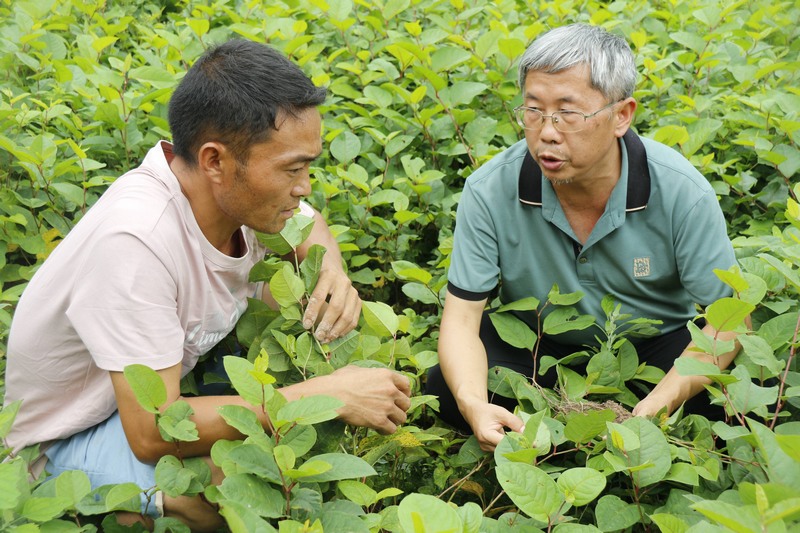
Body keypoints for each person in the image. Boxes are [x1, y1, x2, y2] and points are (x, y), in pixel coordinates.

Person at [3, 40, 411, 529]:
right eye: (292, 169)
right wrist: (330, 396)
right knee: (242, 486)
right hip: (68, 437)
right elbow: (155, 429)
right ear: (215, 161)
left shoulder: (238, 196)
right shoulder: (137, 242)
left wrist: (332, 272)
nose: (303, 186)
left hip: (148, 393)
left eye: (308, 166)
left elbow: (311, 221)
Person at [426, 23, 743, 451]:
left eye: (568, 113)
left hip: (655, 349)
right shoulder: (489, 189)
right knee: (447, 388)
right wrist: (471, 403)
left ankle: (570, 443)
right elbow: (462, 319)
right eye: (533, 110)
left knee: (737, 394)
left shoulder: (682, 192)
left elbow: (730, 323)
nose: (547, 132)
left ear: (621, 115)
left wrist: (654, 409)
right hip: (538, 346)